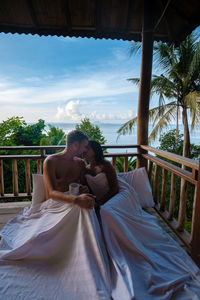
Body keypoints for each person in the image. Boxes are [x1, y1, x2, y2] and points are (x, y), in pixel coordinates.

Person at [43, 130, 96, 209]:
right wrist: (77, 200)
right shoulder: (51, 161)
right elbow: (51, 193)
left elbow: (82, 184)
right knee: (82, 209)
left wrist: (84, 189)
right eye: (84, 146)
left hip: (75, 200)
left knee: (86, 207)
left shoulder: (80, 163)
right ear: (75, 145)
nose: (85, 150)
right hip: (56, 203)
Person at [84, 140, 119, 206]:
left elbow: (114, 188)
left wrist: (100, 203)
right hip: (97, 200)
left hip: (112, 197)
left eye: (88, 148)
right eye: (84, 148)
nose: (85, 150)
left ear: (95, 150)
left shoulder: (106, 165)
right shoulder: (86, 169)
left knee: (106, 210)